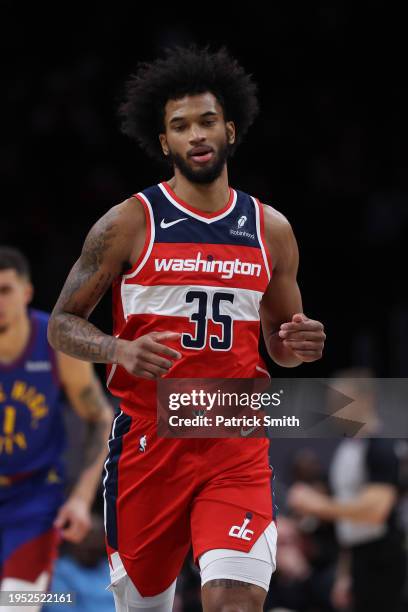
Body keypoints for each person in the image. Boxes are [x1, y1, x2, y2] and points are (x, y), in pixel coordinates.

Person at [47, 44, 326, 612]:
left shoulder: (270, 229)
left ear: (230, 128)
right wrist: (117, 348)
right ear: (164, 141)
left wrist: (296, 345)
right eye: (180, 126)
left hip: (233, 440)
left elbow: (281, 347)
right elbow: (61, 325)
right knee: (146, 605)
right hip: (150, 444)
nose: (195, 134)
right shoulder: (129, 222)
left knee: (233, 600)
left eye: (205, 121)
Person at [0, 247, 113, 611]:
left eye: (5, 290)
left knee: (15, 606)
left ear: (26, 292)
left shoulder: (53, 343)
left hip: (32, 500)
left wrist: (81, 499)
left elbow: (99, 418)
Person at [287, 371, 407, 612]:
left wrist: (317, 504)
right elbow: (349, 527)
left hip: (384, 560)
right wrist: (344, 573)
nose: (333, 407)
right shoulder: (347, 450)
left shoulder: (382, 448)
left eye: (341, 399)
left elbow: (375, 511)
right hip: (358, 558)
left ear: (365, 399)